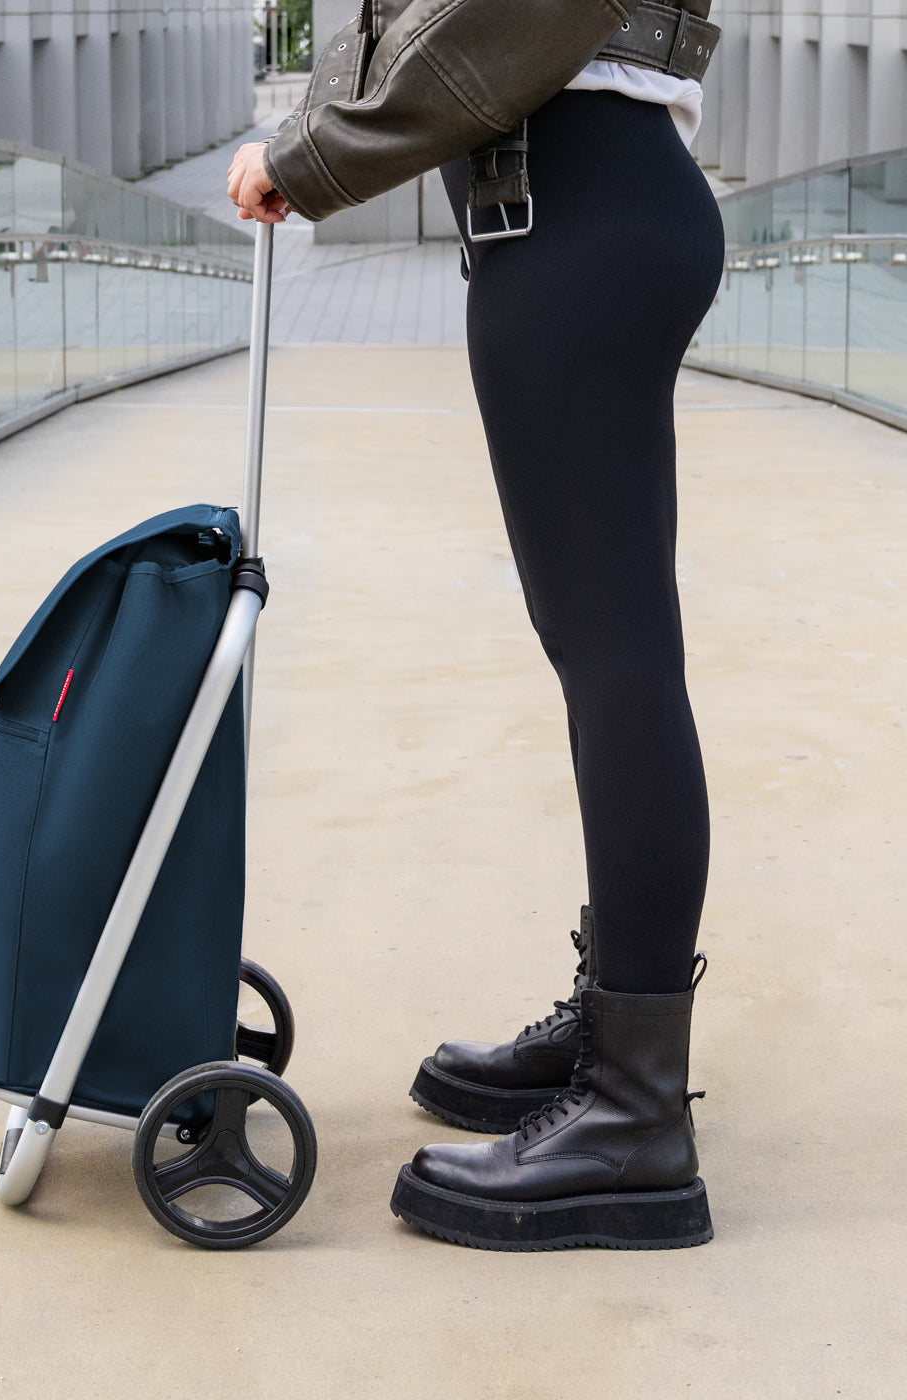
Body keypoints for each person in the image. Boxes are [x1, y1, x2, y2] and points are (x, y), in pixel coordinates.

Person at [227, 0, 724, 1251]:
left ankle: (633, 1112)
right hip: (582, 213)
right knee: (603, 645)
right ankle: (615, 1039)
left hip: (581, 215)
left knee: (613, 654)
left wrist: (309, 156)